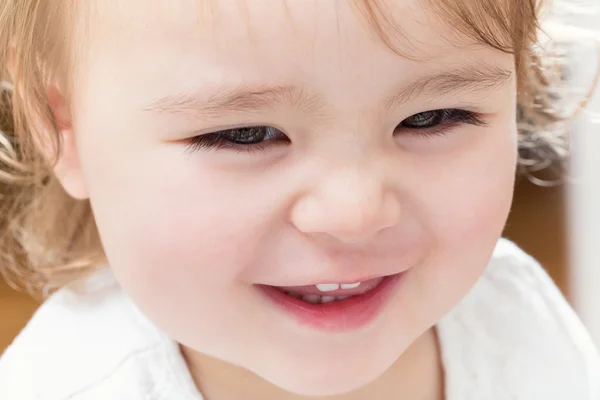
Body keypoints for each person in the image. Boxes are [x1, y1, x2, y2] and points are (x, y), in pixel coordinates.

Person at [0, 0, 599, 399]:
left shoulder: (516, 320)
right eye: (245, 134)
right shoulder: (62, 383)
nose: (356, 213)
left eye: (431, 117)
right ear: (63, 130)